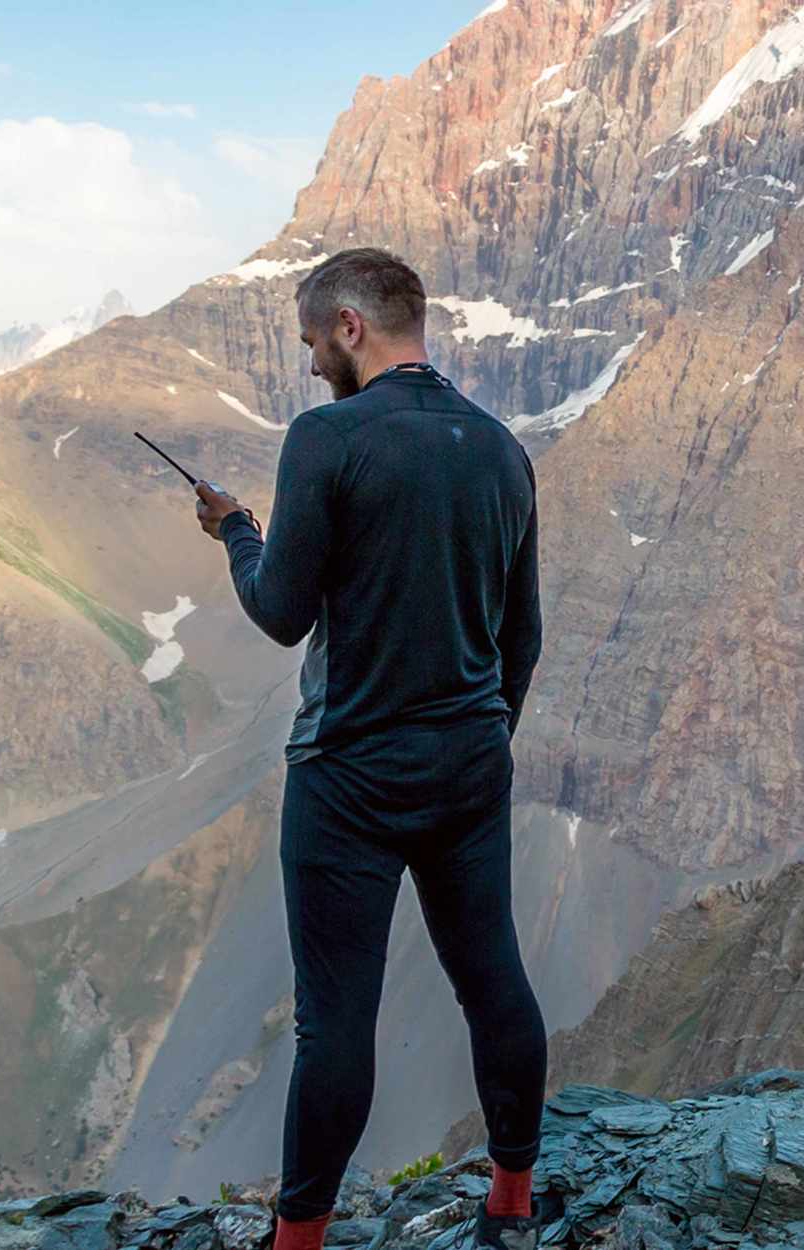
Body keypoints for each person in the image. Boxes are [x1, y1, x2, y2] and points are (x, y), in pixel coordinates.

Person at [190, 246, 553, 1250]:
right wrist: (484, 738)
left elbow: (281, 611)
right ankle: (511, 1202)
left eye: (314, 341)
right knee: (494, 979)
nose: (312, 365)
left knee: (334, 1019)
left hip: (348, 775)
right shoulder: (499, 449)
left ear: (350, 325)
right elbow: (519, 636)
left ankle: (299, 1238)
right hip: (469, 761)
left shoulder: (326, 439)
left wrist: (237, 533)